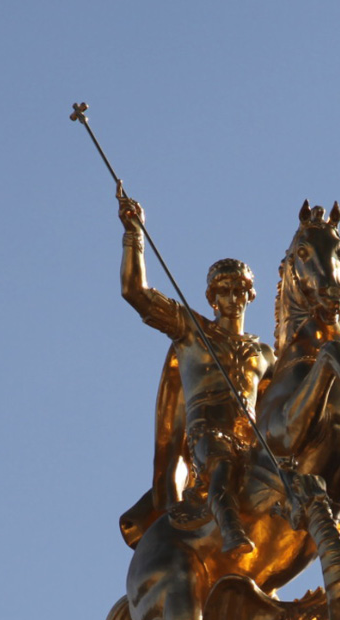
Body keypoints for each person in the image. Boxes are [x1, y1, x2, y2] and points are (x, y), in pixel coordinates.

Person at [117, 185, 274, 555]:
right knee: (219, 467)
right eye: (224, 291)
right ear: (211, 298)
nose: (232, 299)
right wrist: (133, 235)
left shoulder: (264, 353)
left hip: (252, 443)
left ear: (250, 295)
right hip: (208, 435)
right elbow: (135, 292)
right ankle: (232, 533)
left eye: (239, 291)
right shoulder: (191, 330)